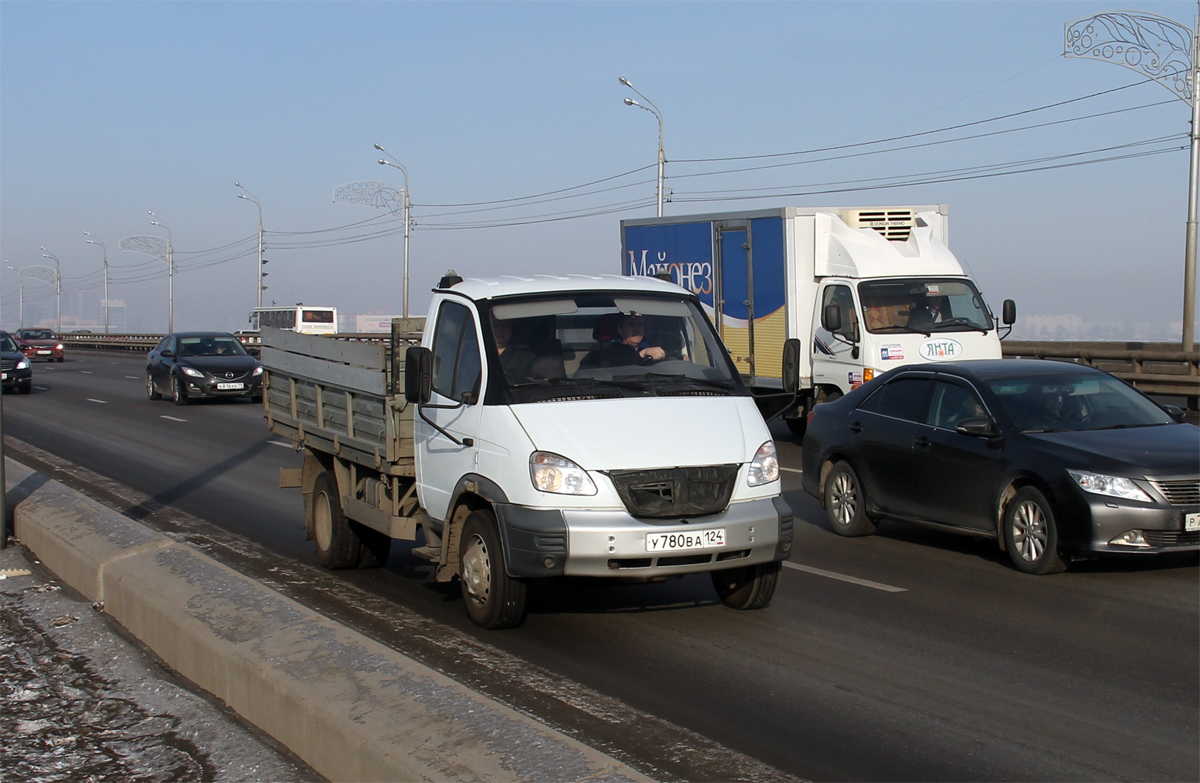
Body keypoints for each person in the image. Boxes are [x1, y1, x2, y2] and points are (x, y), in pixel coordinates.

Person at [581, 314, 665, 368]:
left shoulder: (654, 347)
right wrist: (641, 355)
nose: (637, 329)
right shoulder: (607, 351)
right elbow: (611, 369)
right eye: (631, 325)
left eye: (640, 325)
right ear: (620, 329)